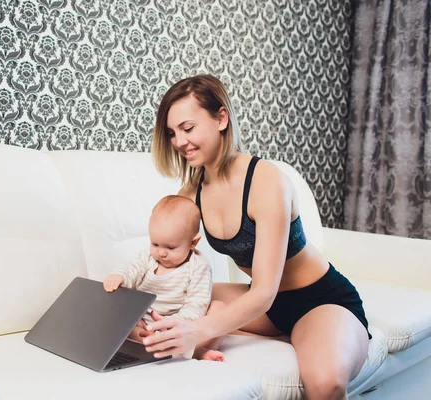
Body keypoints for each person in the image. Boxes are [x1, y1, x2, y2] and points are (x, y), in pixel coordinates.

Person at [145, 74, 371, 400]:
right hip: (265, 306)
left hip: (318, 299)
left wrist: (199, 329)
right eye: (171, 133)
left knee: (325, 383)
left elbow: (265, 291)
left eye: (188, 128)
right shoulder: (190, 194)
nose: (179, 141)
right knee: (161, 300)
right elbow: (172, 268)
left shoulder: (266, 181)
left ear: (221, 118)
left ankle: (317, 336)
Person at [103, 195, 225, 361]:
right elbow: (133, 269)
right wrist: (120, 277)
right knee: (126, 321)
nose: (161, 252)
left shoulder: (199, 266)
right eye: (155, 244)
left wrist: (172, 326)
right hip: (146, 324)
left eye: (170, 247)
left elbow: (197, 304)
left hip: (182, 326)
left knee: (220, 309)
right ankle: (154, 346)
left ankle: (197, 351)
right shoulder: (148, 258)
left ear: (193, 243)